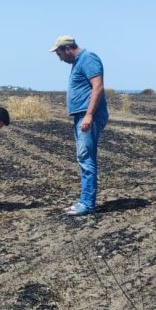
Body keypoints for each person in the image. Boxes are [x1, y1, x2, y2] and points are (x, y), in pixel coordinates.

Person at [50, 35, 109, 216]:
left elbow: (97, 87)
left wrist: (89, 115)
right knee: (83, 158)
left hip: (87, 115)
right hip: (82, 116)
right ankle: (84, 200)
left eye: (59, 54)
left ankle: (87, 204)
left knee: (86, 158)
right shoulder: (78, 62)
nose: (59, 59)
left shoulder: (88, 58)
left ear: (67, 48)